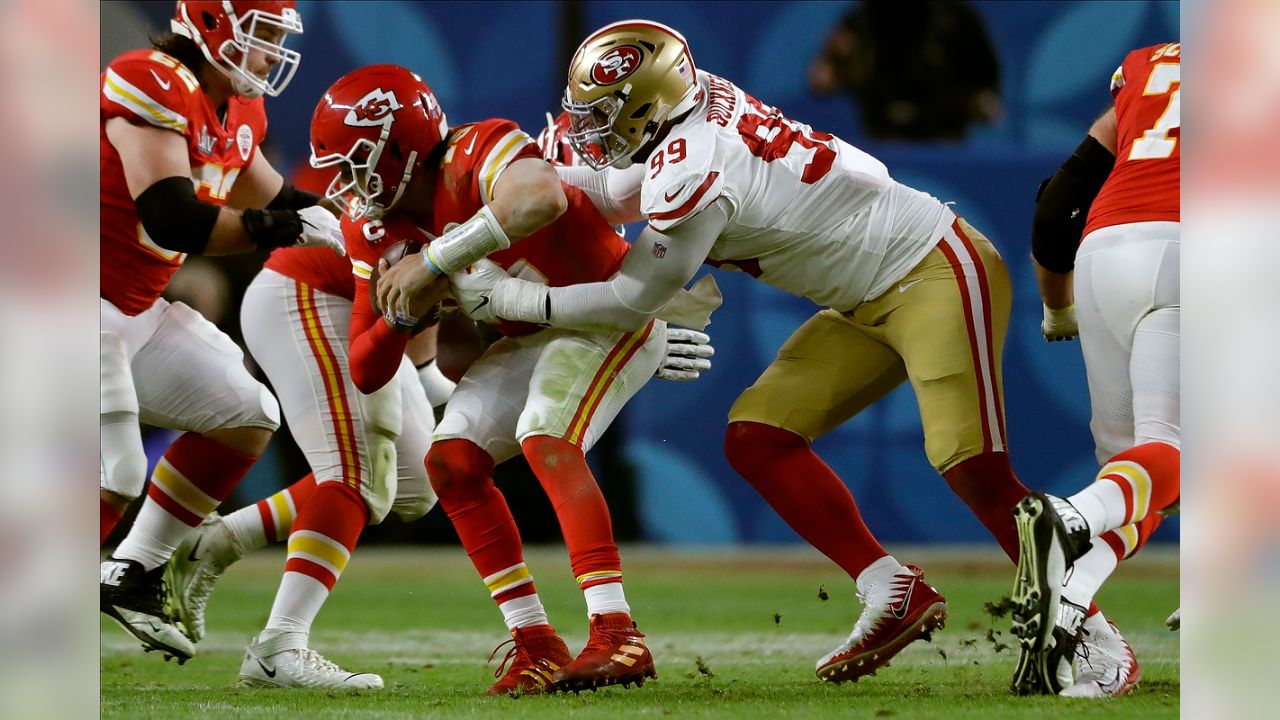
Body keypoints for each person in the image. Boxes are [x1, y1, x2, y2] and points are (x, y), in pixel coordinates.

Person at [388, 18, 1041, 684]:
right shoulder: (687, 108)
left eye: (603, 115)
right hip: (863, 298)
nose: (588, 129)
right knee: (757, 438)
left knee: (971, 467)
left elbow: (633, 295)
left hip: (932, 268)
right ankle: (889, 588)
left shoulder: (693, 162)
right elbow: (618, 191)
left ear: (648, 102)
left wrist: (515, 301)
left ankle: (1087, 624)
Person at [312, 64, 713, 695]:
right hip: (533, 335)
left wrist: (440, 259)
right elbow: (367, 367)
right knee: (450, 461)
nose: (348, 186)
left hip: (604, 316)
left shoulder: (475, 151)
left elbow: (540, 198)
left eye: (355, 163)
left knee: (545, 435)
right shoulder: (376, 230)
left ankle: (618, 634)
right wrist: (405, 314)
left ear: (399, 148)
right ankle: (536, 643)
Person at [99, 0, 343, 663]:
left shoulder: (237, 110)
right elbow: (172, 216)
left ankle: (133, 570)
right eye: (261, 35)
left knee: (246, 411)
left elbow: (276, 201)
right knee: (117, 470)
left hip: (131, 312)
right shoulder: (150, 78)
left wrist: (362, 232)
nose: (269, 54)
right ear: (209, 24)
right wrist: (279, 231)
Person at [161, 161, 444, 689]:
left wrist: (429, 378)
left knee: (414, 485)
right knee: (356, 472)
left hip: (349, 309)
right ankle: (279, 646)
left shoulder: (468, 197)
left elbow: (428, 294)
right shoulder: (473, 200)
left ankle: (217, 542)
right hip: (307, 294)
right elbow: (386, 322)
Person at [1011, 41, 1181, 697]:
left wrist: (1057, 310)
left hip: (1104, 250)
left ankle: (1075, 605)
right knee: (1180, 451)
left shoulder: (1148, 62)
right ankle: (1068, 519)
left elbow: (1058, 205)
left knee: (1138, 474)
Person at [808, 0, 1002, 141]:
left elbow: (986, 86)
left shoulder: (956, 19)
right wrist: (835, 62)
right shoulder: (862, 18)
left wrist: (981, 100)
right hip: (881, 140)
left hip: (944, 140)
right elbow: (822, 79)